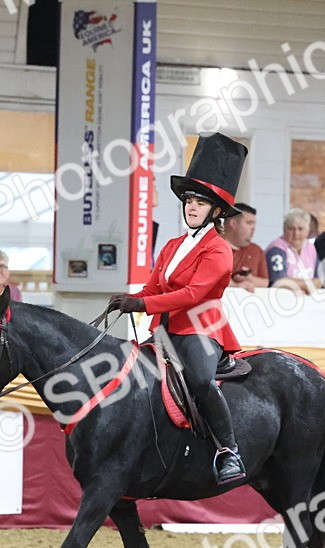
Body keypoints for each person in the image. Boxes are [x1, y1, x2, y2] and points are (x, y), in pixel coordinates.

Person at [108, 133, 248, 484]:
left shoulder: (219, 250)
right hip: (163, 330)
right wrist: (128, 299)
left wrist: (141, 303)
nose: (191, 206)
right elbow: (154, 287)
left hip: (200, 330)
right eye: (189, 199)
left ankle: (228, 451)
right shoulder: (172, 246)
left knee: (200, 380)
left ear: (216, 211)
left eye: (200, 202)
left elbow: (191, 294)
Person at [265, 208, 320, 293]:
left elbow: (319, 280)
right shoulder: (276, 249)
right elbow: (279, 281)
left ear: (308, 231)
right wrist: (308, 285)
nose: (296, 233)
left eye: (300, 229)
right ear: (284, 229)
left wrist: (310, 285)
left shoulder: (310, 248)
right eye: (291, 229)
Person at [222, 202, 269, 292]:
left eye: (254, 224)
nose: (253, 228)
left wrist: (250, 279)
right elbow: (209, 277)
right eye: (249, 223)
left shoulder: (256, 250)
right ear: (233, 224)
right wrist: (236, 286)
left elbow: (265, 282)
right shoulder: (213, 246)